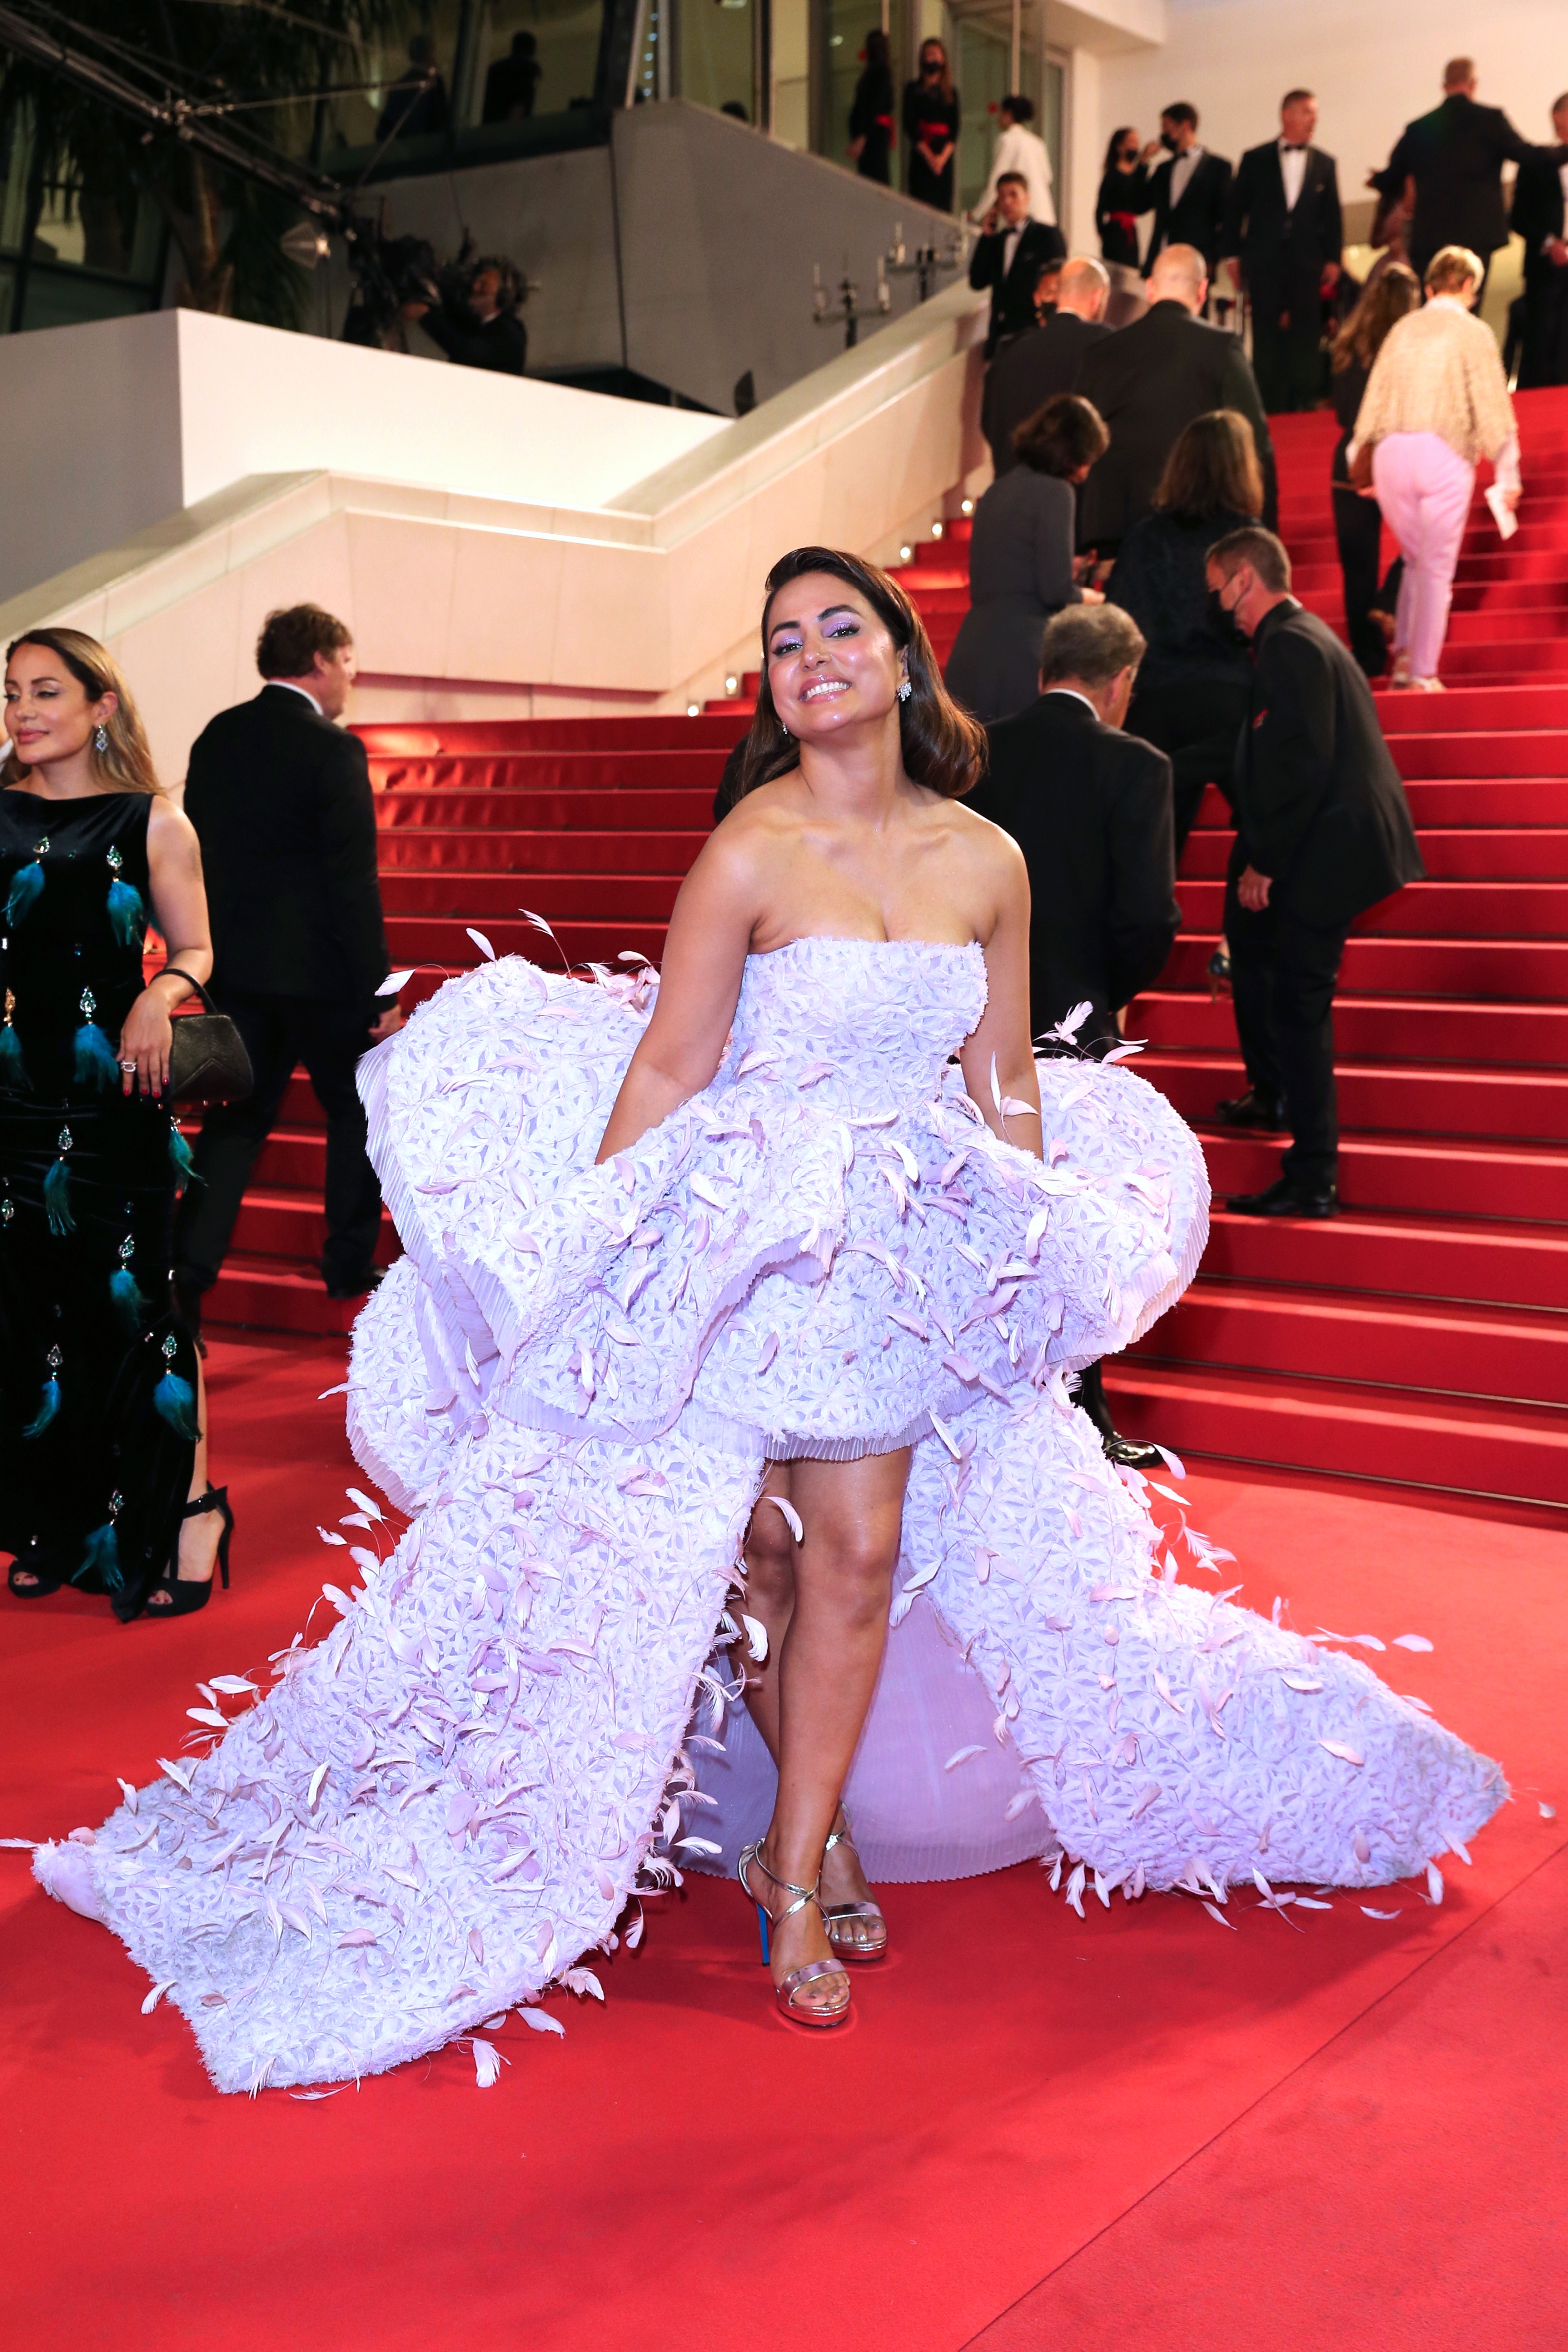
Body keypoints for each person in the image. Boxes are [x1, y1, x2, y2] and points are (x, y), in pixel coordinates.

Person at [30, 546, 1505, 2088]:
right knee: (765, 1551)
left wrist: (1033, 1248)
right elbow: (673, 1062)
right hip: (748, 1239)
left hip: (897, 1244)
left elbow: (999, 1075)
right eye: (784, 637)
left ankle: (793, 1864)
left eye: (840, 627)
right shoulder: (748, 847)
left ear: (900, 656)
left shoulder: (984, 857)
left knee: (859, 1550)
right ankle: (817, 1819)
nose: (811, 655)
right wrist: (590, 1244)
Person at [0, 630, 229, 1619]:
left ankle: (191, 1516)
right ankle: (61, 1523)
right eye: (11, 694)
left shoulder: (153, 821)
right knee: (34, 1312)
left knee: (141, 1309)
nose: (22, 711)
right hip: (13, 1100)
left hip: (115, 1099)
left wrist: (161, 993)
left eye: (46, 691)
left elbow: (201, 945)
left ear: (102, 706)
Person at [967, 603, 1180, 1471]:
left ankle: (984, 1415)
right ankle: (1079, 1421)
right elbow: (1147, 919)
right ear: (1121, 679)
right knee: (1075, 1220)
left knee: (981, 1215)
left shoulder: (977, 756)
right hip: (1077, 1025)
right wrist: (1099, 992)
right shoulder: (1134, 765)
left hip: (972, 1017)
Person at [173, 606, 400, 1339]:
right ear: (322, 661)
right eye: (349, 662)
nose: (351, 679)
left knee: (234, 1126)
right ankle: (346, 1265)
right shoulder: (333, 749)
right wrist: (379, 989)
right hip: (326, 980)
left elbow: (197, 858)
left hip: (238, 974)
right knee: (354, 1113)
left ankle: (190, 1272)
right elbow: (352, 882)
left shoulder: (217, 737)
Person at [1206, 528, 1425, 1210]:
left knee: (1300, 1004)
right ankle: (1273, 1096)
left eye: (1220, 591)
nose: (1220, 607)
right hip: (1325, 840)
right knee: (1255, 954)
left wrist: (1264, 862)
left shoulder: (1292, 643)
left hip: (1326, 851)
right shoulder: (1301, 637)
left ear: (1245, 578)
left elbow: (1302, 758)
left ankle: (1313, 1176)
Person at [1351, 244, 1520, 690]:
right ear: (1468, 286)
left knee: (1416, 559)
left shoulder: (1402, 329)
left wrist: (1359, 461)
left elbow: (1373, 401)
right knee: (1435, 567)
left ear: (1428, 286)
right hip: (1441, 451)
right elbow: (1491, 405)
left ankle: (1403, 658)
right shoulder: (1472, 331)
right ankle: (1422, 670)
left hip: (1388, 454)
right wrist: (1508, 474)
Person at [1106, 408, 1263, 853]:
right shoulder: (1246, 538)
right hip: (1226, 698)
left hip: (1156, 700)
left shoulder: (1145, 537)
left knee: (1154, 853)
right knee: (1265, 833)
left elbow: (1121, 620)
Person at [1076, 244, 1277, 555]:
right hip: (1198, 528)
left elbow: (1078, 444)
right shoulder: (1220, 348)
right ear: (1202, 290)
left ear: (1150, 288)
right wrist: (1266, 535)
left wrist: (1077, 539)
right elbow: (1256, 445)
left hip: (1118, 537)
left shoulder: (1101, 353)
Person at [945, 394, 1109, 724]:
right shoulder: (1055, 492)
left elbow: (1004, 569)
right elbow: (1054, 591)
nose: (1088, 470)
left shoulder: (996, 491)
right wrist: (1090, 598)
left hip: (974, 645)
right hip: (1021, 653)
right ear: (1074, 451)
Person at [1221, 89, 1343, 415]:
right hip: (1263, 262)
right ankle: (1267, 403)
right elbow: (1234, 211)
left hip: (1306, 263)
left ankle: (1305, 400)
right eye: (1307, 111)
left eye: (1314, 112)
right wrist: (1231, 256)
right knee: (1265, 331)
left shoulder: (1325, 163)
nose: (1314, 119)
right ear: (1286, 115)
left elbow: (1331, 216)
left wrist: (1334, 258)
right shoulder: (1254, 159)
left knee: (1306, 331)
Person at [1328, 264, 1421, 676]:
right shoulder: (1413, 348)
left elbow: (1342, 412)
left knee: (1356, 565)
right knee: (1421, 543)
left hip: (1350, 462)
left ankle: (1367, 658)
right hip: (1399, 454)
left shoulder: (1350, 344)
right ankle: (1389, 601)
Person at [1373, 57, 1534, 289]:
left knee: (1432, 308)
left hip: (1431, 236)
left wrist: (1377, 179)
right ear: (1473, 84)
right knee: (1468, 305)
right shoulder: (1490, 120)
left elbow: (1392, 175)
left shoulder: (1420, 128)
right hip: (1479, 232)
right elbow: (1527, 155)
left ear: (1444, 86)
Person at [981, 255, 1112, 478]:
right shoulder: (1107, 345)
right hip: (1075, 499)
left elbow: (990, 424)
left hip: (1012, 490)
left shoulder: (1009, 352)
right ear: (1097, 297)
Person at [968, 172, 1067, 357]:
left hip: (1034, 334)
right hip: (1000, 337)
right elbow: (977, 281)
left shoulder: (1047, 235)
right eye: (1002, 196)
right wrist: (986, 238)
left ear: (1027, 198)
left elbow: (1059, 284)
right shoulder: (997, 241)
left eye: (1013, 195)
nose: (1007, 202)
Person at [1510, 94, 1568, 388]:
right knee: (1543, 341)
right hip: (1545, 269)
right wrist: (1548, 242)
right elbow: (1518, 217)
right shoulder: (1537, 164)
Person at [1136, 102, 1233, 280]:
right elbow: (1139, 204)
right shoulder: (1163, 170)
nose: (1163, 134)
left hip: (1196, 259)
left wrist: (1213, 256)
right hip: (1160, 257)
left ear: (1185, 126)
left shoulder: (1219, 168)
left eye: (1167, 128)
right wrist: (1143, 163)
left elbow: (1227, 216)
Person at [407, 255, 528, 377]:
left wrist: (426, 316)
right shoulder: (479, 323)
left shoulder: (511, 333)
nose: (475, 287)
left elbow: (466, 350)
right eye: (477, 281)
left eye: (484, 285)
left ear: (503, 296)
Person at [972, 94, 1055, 229]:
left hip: (1022, 218)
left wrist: (976, 214)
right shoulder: (1038, 143)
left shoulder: (1007, 140)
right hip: (1044, 214)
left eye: (1001, 114)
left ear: (1008, 114)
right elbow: (1048, 178)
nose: (999, 119)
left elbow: (996, 183)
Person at [903, 38, 960, 214]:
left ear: (943, 60)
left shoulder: (952, 93)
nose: (931, 59)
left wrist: (941, 159)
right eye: (927, 55)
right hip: (922, 156)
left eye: (935, 54)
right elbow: (910, 126)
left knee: (943, 207)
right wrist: (930, 158)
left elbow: (955, 129)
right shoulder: (912, 89)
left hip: (944, 159)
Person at [376, 32, 449, 143]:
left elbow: (383, 132)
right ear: (429, 55)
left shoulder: (398, 88)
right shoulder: (434, 84)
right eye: (433, 53)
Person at [847, 28, 895, 185]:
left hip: (873, 133)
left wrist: (861, 136)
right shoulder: (881, 72)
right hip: (875, 132)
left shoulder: (877, 73)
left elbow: (872, 107)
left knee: (872, 177)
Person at [1096, 126, 1147, 270]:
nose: (1135, 146)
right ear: (1119, 147)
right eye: (1131, 142)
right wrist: (1105, 234)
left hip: (1131, 231)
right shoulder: (1112, 175)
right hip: (1115, 231)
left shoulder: (1136, 175)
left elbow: (1140, 200)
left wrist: (1144, 164)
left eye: (1137, 142)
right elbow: (1100, 208)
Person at [482, 30, 541, 125]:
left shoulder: (496, 69)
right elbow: (520, 105)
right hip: (509, 128)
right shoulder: (528, 69)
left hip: (491, 125)